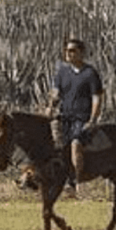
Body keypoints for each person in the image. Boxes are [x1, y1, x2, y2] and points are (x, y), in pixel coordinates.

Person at [47, 37, 105, 195]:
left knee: (75, 144)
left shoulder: (90, 73)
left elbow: (97, 98)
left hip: (82, 118)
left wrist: (93, 119)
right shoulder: (62, 72)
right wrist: (50, 107)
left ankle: (78, 181)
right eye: (66, 51)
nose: (68, 54)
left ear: (81, 53)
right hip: (64, 117)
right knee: (54, 146)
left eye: (72, 51)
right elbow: (56, 93)